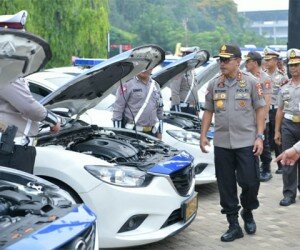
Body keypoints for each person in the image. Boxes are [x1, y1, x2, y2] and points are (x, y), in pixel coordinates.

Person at [200, 44, 266, 242]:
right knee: (226, 185)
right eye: (220, 60)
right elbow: (208, 111)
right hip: (222, 144)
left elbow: (260, 109)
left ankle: (248, 210)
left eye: (226, 60)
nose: (222, 63)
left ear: (238, 62)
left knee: (250, 182)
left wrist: (260, 136)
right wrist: (203, 135)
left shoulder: (252, 83)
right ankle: (233, 224)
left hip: (246, 142)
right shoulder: (214, 84)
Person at [0, 77, 61, 174]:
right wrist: (54, 121)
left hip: (13, 147)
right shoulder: (7, 75)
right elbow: (30, 109)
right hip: (10, 149)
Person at [274, 48, 300, 206]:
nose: (293, 68)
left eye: (297, 64)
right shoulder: (284, 86)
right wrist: (277, 130)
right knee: (288, 159)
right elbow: (280, 109)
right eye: (291, 65)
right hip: (288, 125)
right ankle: (289, 193)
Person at [245, 51, 273, 182]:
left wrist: (262, 118)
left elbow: (266, 101)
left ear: (254, 63)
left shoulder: (265, 78)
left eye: (247, 61)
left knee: (264, 143)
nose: (245, 64)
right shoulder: (245, 77)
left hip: (261, 117)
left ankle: (266, 168)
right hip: (247, 117)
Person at [112, 69, 163, 139]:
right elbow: (118, 109)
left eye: (148, 67)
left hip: (151, 134)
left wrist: (160, 133)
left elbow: (160, 111)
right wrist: (118, 134)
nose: (145, 70)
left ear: (152, 68)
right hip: (132, 133)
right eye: (143, 67)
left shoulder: (155, 85)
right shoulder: (127, 84)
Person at [263, 47, 289, 174]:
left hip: (276, 110)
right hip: (264, 110)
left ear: (275, 60)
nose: (266, 62)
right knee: (265, 137)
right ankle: (266, 165)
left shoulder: (282, 76)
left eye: (269, 60)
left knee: (277, 136)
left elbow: (285, 95)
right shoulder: (262, 75)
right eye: (265, 60)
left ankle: (281, 164)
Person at [170, 47, 200, 115]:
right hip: (182, 108)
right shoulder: (178, 71)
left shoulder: (192, 71)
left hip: (192, 108)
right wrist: (176, 108)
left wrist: (197, 107)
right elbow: (174, 91)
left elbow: (194, 90)